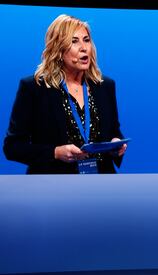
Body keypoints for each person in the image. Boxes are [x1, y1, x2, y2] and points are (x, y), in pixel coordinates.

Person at [3, 14, 127, 174]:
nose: (84, 47)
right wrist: (55, 152)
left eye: (86, 40)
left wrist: (115, 145)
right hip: (52, 184)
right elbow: (12, 147)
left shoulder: (105, 86)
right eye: (74, 41)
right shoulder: (34, 88)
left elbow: (114, 132)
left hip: (100, 184)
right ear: (58, 49)